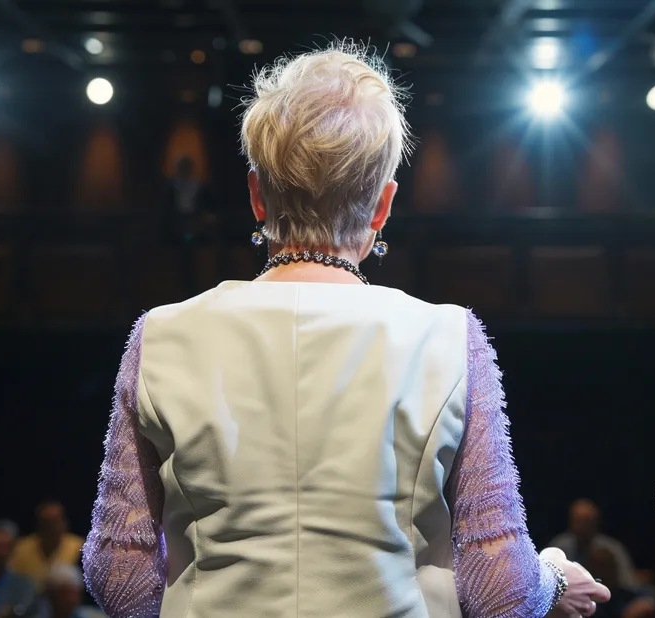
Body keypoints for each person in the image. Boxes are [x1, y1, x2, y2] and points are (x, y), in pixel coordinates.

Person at [81, 41, 610, 618]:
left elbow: (119, 579)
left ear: (257, 195)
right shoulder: (449, 338)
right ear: (383, 206)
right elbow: (499, 590)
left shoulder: (160, 336)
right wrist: (555, 579)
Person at [550, 499, 639, 589]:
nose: (581, 527)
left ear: (596, 523)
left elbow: (629, 583)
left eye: (586, 522)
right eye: (577, 521)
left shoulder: (612, 549)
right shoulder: (559, 547)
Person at [9, 502, 83, 591]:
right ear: (38, 524)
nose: (51, 527)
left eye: (56, 521)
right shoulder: (21, 548)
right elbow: (11, 582)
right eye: (46, 522)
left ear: (65, 523)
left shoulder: (79, 546)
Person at [37, 567, 103, 618]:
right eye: (66, 593)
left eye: (74, 594)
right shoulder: (35, 613)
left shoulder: (91, 615)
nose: (71, 599)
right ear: (51, 594)